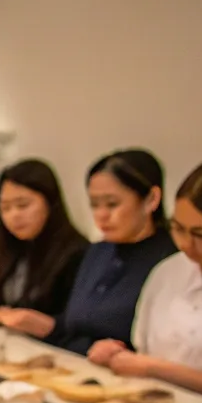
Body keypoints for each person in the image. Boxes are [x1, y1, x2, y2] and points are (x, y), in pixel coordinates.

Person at [89, 160, 202, 403]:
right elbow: (145, 351)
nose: (186, 244)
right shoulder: (167, 271)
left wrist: (154, 368)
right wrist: (118, 354)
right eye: (178, 229)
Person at [51, 149, 176, 354]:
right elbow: (71, 324)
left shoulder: (169, 261)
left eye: (112, 204)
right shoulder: (97, 252)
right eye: (94, 205)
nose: (101, 215)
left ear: (151, 199)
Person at [0, 159, 88, 334]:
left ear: (50, 202)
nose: (14, 216)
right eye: (5, 208)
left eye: (23, 205)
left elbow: (72, 322)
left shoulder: (76, 251)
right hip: (2, 339)